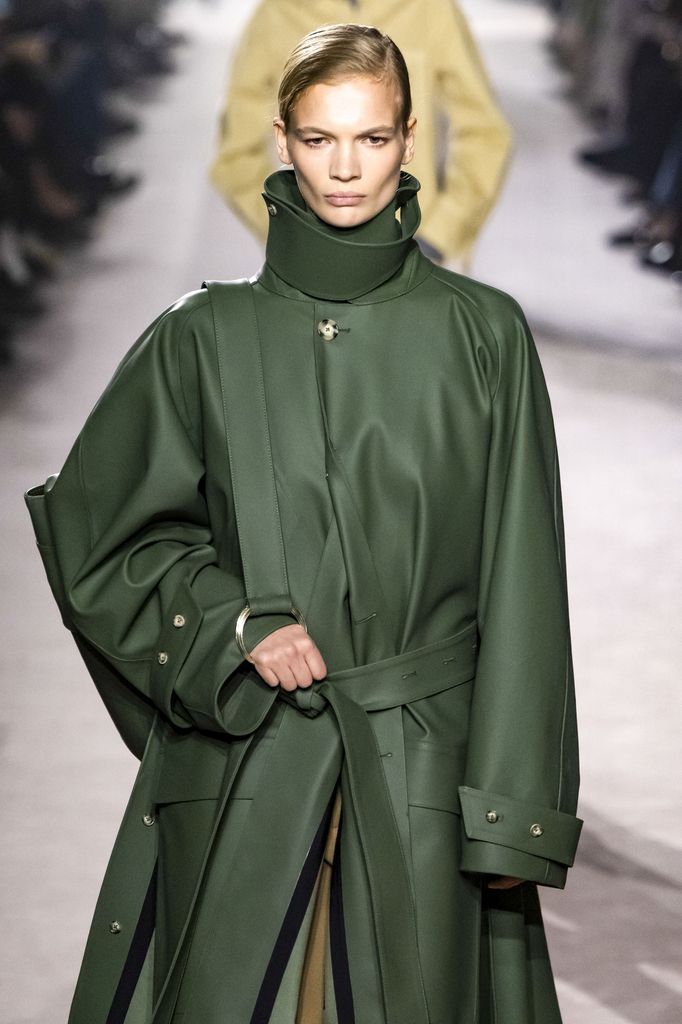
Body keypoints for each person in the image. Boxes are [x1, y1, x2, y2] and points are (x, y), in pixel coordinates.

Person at [27, 23, 582, 1024]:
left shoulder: (481, 335)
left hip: (423, 762)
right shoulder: (201, 335)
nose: (344, 168)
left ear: (409, 139)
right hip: (249, 760)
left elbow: (523, 579)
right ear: (280, 137)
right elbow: (102, 537)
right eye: (321, 139)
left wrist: (513, 810)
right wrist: (233, 624)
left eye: (370, 139)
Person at [210, 0, 512, 264]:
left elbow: (485, 132)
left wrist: (438, 235)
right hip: (314, 265)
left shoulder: (430, 9)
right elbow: (237, 151)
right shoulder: (277, 15)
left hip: (411, 254)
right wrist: (286, 231)